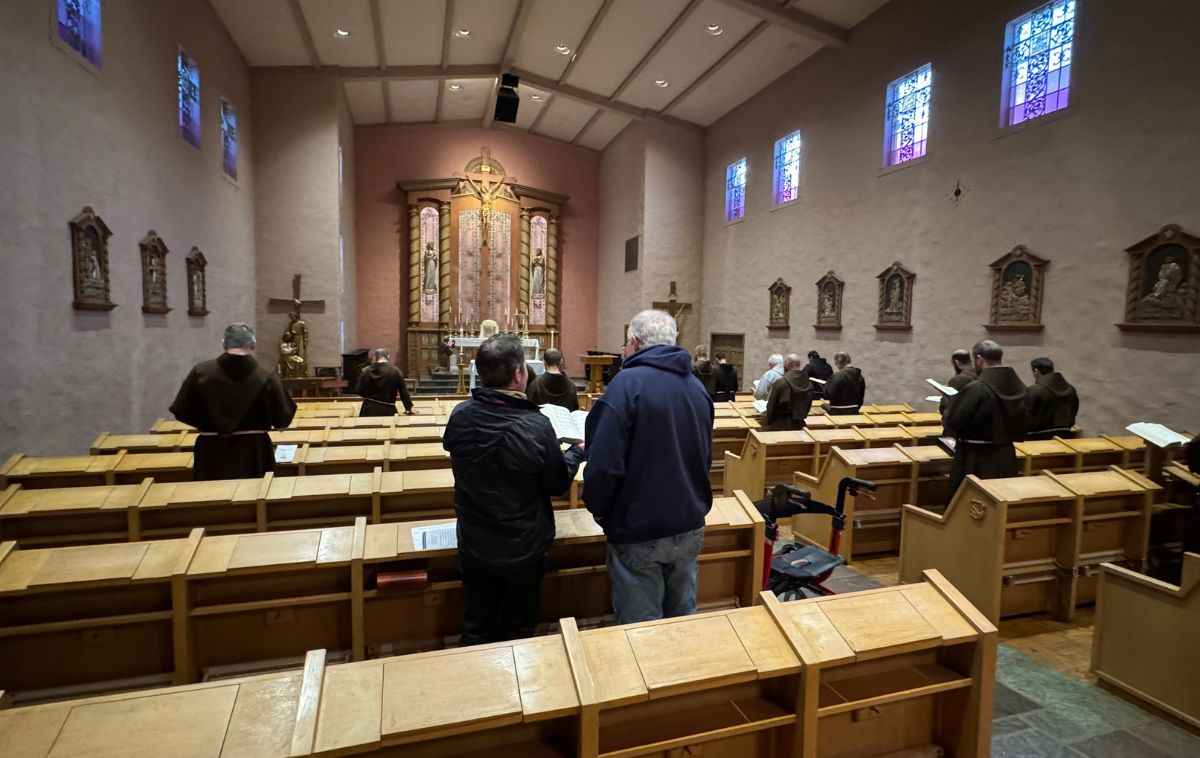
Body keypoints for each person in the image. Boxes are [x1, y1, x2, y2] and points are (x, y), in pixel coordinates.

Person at [442, 334, 585, 645]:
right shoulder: (535, 425)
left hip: (475, 537)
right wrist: (576, 452)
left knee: (477, 626)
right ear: (520, 373)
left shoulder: (461, 415)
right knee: (519, 629)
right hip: (523, 542)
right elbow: (558, 484)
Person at [584, 310, 713, 623]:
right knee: (682, 620)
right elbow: (704, 456)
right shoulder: (696, 388)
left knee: (640, 631)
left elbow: (603, 465)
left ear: (634, 342)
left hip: (638, 527)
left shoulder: (625, 386)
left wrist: (599, 509)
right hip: (689, 523)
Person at [170, 324, 296, 481]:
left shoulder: (202, 373)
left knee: (209, 497)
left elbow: (181, 409)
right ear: (253, 344)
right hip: (253, 450)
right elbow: (283, 416)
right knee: (255, 498)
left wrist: (209, 424)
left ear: (224, 343)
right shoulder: (265, 375)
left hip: (211, 449)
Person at [942, 340, 1030, 498]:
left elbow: (953, 421)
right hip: (1006, 455)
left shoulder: (977, 388)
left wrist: (950, 404)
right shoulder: (1020, 386)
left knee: (970, 505)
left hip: (975, 458)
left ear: (979, 359)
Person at [1025, 358, 1079, 440]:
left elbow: (1026, 415)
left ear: (1036, 371)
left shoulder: (1035, 390)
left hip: (1037, 440)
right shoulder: (1070, 389)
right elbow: (1074, 410)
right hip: (1066, 437)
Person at [356, 348, 414, 417]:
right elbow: (403, 392)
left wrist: (370, 396)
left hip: (368, 410)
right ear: (388, 357)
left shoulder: (366, 371)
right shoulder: (395, 371)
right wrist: (409, 408)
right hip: (387, 410)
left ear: (375, 357)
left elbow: (359, 390)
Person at [763, 354, 813, 431]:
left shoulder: (781, 382)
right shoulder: (808, 383)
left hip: (780, 425)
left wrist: (770, 422)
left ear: (786, 363)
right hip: (799, 425)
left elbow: (771, 406)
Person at [940, 349, 976, 416]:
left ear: (956, 362)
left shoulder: (957, 380)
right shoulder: (981, 374)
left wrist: (944, 398)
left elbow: (949, 405)